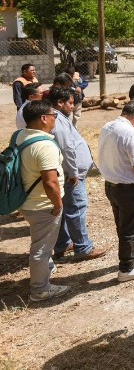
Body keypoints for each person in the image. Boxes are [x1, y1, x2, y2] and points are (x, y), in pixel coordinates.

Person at [18, 100, 70, 301]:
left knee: (40, 242)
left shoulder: (21, 136)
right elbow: (50, 182)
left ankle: (45, 270)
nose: (55, 119)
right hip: (42, 204)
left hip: (26, 200)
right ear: (44, 118)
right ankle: (40, 289)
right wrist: (57, 204)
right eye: (54, 115)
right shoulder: (45, 146)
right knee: (41, 248)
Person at [47, 88, 106, 262]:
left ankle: (63, 244)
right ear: (60, 103)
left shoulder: (59, 118)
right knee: (76, 209)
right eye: (70, 103)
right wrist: (73, 172)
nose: (73, 107)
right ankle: (83, 248)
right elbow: (66, 148)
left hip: (68, 172)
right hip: (71, 174)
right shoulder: (58, 121)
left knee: (65, 209)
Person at [98, 99, 134, 282]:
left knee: (122, 224)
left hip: (111, 184)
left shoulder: (108, 126)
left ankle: (131, 253)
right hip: (128, 188)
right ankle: (127, 268)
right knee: (130, 228)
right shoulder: (131, 133)